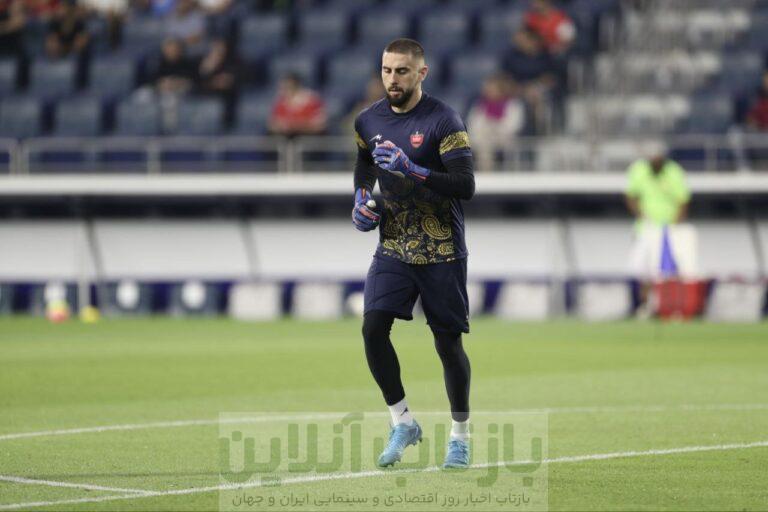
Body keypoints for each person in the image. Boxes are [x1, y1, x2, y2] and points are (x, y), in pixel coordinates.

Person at [351, 38, 475, 469]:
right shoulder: (368, 119)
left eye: (402, 71)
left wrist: (414, 170)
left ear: (421, 73)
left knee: (448, 345)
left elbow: (465, 185)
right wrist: (360, 200)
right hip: (394, 245)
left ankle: (460, 436)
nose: (392, 79)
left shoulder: (444, 120)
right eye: (387, 70)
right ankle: (402, 421)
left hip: (442, 250)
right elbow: (365, 163)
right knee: (372, 328)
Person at [625, 143, 691, 317]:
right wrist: (641, 216)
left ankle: (673, 306)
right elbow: (631, 196)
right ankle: (645, 306)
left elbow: (683, 201)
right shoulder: (639, 170)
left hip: (668, 230)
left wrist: (675, 226)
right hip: (646, 229)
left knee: (672, 271)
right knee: (644, 271)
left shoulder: (674, 172)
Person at [467, 74, 525, 172]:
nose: (489, 91)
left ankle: (509, 172)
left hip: (506, 138)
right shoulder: (480, 105)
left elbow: (514, 126)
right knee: (482, 143)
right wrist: (488, 129)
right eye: (488, 89)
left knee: (508, 144)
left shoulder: (513, 105)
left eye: (493, 89)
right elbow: (473, 125)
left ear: (501, 90)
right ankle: (486, 173)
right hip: (486, 138)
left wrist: (494, 127)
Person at [268, 72, 327, 137]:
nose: (282, 91)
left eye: (287, 87)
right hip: (286, 139)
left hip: (311, 139)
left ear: (296, 86)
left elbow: (320, 125)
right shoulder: (281, 103)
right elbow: (273, 125)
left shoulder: (312, 101)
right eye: (281, 88)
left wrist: (296, 126)